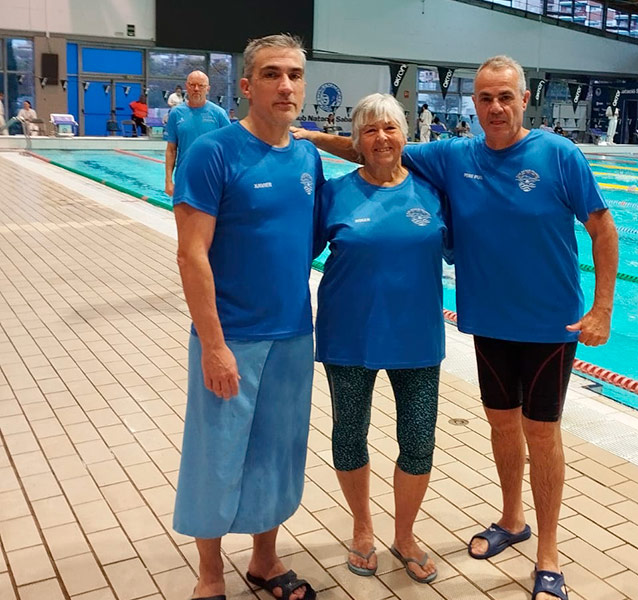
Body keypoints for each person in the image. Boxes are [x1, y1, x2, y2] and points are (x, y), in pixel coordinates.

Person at [294, 54, 618, 600]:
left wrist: (603, 307)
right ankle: (512, 521)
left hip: (549, 325)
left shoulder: (559, 155)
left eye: (505, 97)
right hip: (489, 324)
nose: (495, 107)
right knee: (500, 426)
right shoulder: (452, 156)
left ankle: (547, 554)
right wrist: (301, 135)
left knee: (542, 433)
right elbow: (372, 149)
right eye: (486, 97)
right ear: (474, 103)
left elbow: (603, 229)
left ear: (524, 99)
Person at [172, 34, 323, 600]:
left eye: (294, 75)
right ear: (245, 86)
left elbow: (310, 240)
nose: (285, 85)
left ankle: (264, 559)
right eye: (271, 74)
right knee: (217, 452)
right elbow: (191, 254)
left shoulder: (307, 156)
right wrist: (213, 344)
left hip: (292, 334)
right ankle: (210, 577)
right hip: (232, 335)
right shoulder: (213, 152)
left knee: (276, 452)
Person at [314, 93, 448, 585]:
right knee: (350, 436)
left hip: (417, 338)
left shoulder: (432, 191)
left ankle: (406, 534)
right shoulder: (333, 193)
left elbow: (471, 249)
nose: (381, 138)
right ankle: (363, 528)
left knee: (418, 442)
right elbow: (292, 252)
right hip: (349, 336)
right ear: (357, 141)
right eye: (369, 130)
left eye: (389, 127)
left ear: (404, 135)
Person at [164, 70, 229, 197]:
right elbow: (171, 150)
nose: (196, 89)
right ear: (186, 87)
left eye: (201, 85)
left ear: (208, 89)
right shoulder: (176, 113)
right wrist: (168, 181)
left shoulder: (219, 114)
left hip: (213, 178)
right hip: (184, 177)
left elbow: (230, 149)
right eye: (192, 85)